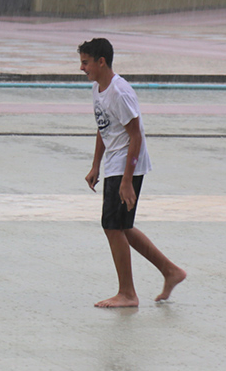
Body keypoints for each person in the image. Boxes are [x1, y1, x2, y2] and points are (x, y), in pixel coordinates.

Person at [78, 38, 186, 308]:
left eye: (85, 62)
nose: (82, 68)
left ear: (101, 61)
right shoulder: (98, 89)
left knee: (112, 226)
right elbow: (104, 127)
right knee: (122, 226)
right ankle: (170, 271)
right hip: (114, 163)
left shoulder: (120, 91)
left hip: (127, 164)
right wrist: (95, 165)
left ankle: (128, 293)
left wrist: (127, 180)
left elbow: (135, 136)